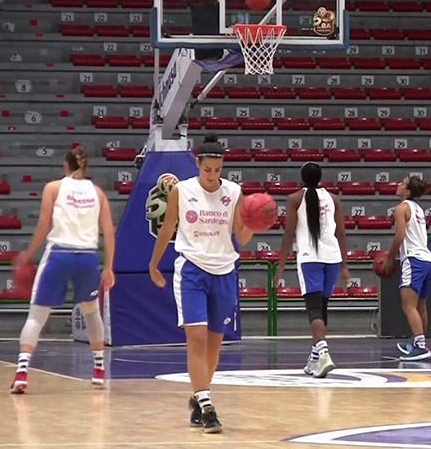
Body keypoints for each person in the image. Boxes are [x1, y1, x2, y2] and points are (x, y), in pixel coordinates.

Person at [148, 134, 254, 434]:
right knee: (196, 339)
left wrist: (255, 223)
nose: (212, 175)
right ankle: (208, 407)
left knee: (214, 346)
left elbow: (241, 237)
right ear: (198, 163)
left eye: (217, 170)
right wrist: (153, 264)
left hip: (225, 271)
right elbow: (167, 229)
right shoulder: (181, 190)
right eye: (207, 169)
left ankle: (198, 396)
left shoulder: (234, 192)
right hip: (192, 270)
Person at [10, 146, 116, 393]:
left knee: (37, 315)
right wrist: (109, 267)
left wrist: (27, 254)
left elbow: (43, 225)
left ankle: (22, 373)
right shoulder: (98, 193)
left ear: (65, 165)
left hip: (59, 254)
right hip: (87, 257)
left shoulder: (53, 188)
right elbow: (109, 232)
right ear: (86, 167)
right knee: (91, 312)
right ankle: (99, 370)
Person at [274, 162, 350, 378]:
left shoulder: (294, 199)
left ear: (302, 179)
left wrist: (281, 265)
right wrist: (344, 264)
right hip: (332, 258)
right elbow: (341, 232)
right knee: (322, 308)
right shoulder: (334, 199)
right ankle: (314, 359)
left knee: (314, 308)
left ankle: (324, 354)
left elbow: (289, 232)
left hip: (310, 259)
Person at [380, 176, 431, 361]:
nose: (398, 185)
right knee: (421, 306)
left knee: (408, 306)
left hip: (414, 260)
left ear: (407, 191)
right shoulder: (418, 208)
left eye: (402, 184)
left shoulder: (401, 208)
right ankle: (419, 342)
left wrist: (390, 258)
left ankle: (420, 346)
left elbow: (400, 236)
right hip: (427, 260)